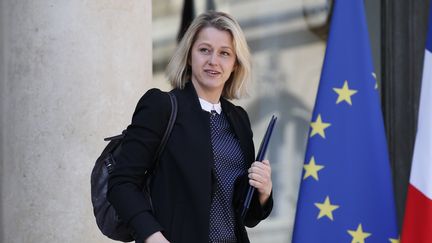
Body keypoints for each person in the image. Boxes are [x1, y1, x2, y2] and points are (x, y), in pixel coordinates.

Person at [107, 11, 273, 243]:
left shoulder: (238, 119)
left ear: (235, 64)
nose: (213, 61)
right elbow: (121, 183)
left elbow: (245, 215)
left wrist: (263, 191)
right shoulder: (161, 106)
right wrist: (153, 236)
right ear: (189, 55)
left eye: (224, 53)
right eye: (204, 50)